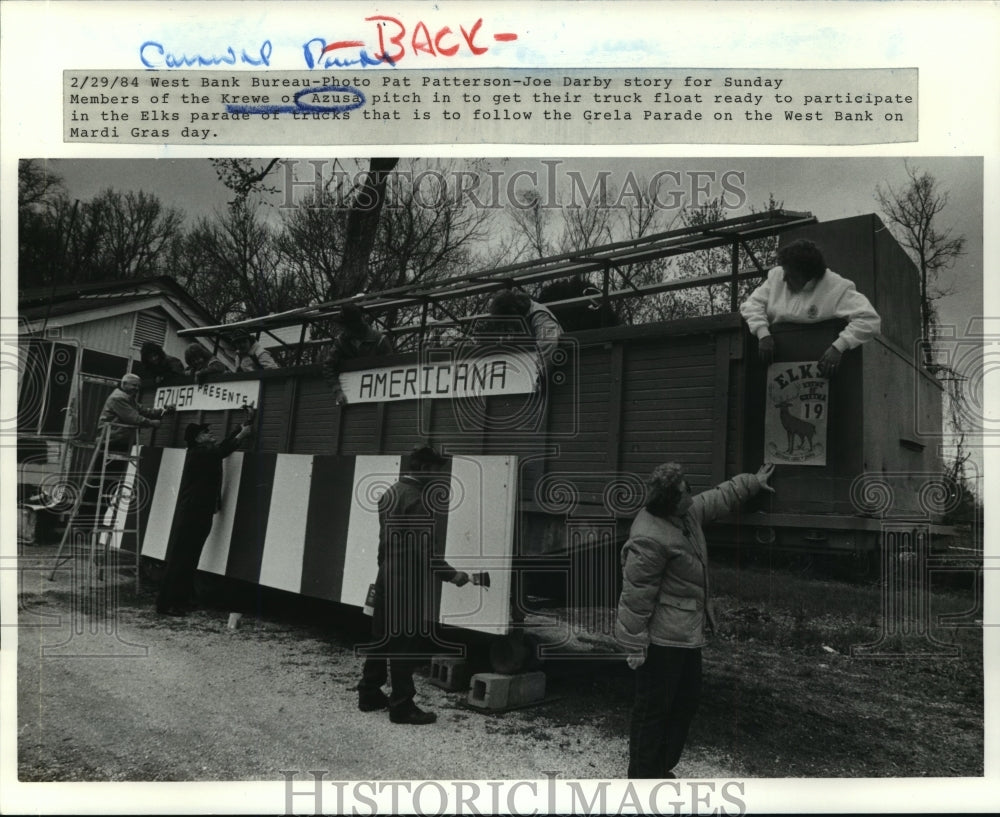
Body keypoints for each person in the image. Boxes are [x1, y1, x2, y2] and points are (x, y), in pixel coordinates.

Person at [616, 461, 775, 779]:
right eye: (684, 489)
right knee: (653, 710)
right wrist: (634, 647)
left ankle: (659, 770)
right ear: (670, 500)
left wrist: (753, 482)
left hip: (685, 633)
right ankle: (642, 780)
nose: (690, 491)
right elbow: (635, 598)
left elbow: (718, 498)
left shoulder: (684, 513)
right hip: (661, 640)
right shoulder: (649, 537)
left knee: (686, 702)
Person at [357, 443, 472, 724]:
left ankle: (369, 693)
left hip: (385, 574)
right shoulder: (418, 499)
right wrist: (452, 575)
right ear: (423, 469)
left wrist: (384, 570)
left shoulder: (390, 493)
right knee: (405, 643)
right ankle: (401, 706)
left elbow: (383, 543)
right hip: (406, 579)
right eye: (436, 471)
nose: (439, 477)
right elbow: (426, 552)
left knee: (380, 637)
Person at [156, 416, 254, 616]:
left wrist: (240, 427)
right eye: (206, 432)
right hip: (194, 511)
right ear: (198, 439)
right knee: (182, 559)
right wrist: (241, 435)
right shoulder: (200, 453)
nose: (210, 434)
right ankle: (167, 603)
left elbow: (222, 447)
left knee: (189, 558)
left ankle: (180, 600)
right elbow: (222, 450)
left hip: (197, 511)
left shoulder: (203, 452)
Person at [739, 239, 881, 377]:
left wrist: (839, 347)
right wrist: (763, 333)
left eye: (790, 275)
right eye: (784, 272)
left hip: (818, 369)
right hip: (775, 363)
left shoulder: (837, 287)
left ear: (808, 276)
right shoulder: (777, 275)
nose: (784, 279)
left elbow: (869, 319)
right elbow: (750, 305)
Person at [322, 303, 394, 405]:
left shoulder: (380, 341)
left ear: (354, 325)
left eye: (345, 325)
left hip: (376, 400)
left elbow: (390, 371)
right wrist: (337, 391)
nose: (343, 329)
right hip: (350, 401)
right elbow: (328, 365)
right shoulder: (341, 342)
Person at [96, 373, 174, 452]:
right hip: (111, 440)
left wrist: (163, 410)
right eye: (134, 385)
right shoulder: (118, 398)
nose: (137, 388)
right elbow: (133, 418)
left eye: (138, 386)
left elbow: (145, 411)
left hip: (117, 439)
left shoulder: (127, 398)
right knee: (110, 463)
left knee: (114, 463)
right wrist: (152, 423)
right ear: (124, 384)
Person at [487, 289, 563, 369]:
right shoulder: (524, 316)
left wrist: (536, 378)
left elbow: (547, 351)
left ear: (513, 313)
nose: (509, 327)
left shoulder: (540, 317)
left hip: (558, 369)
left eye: (508, 322)